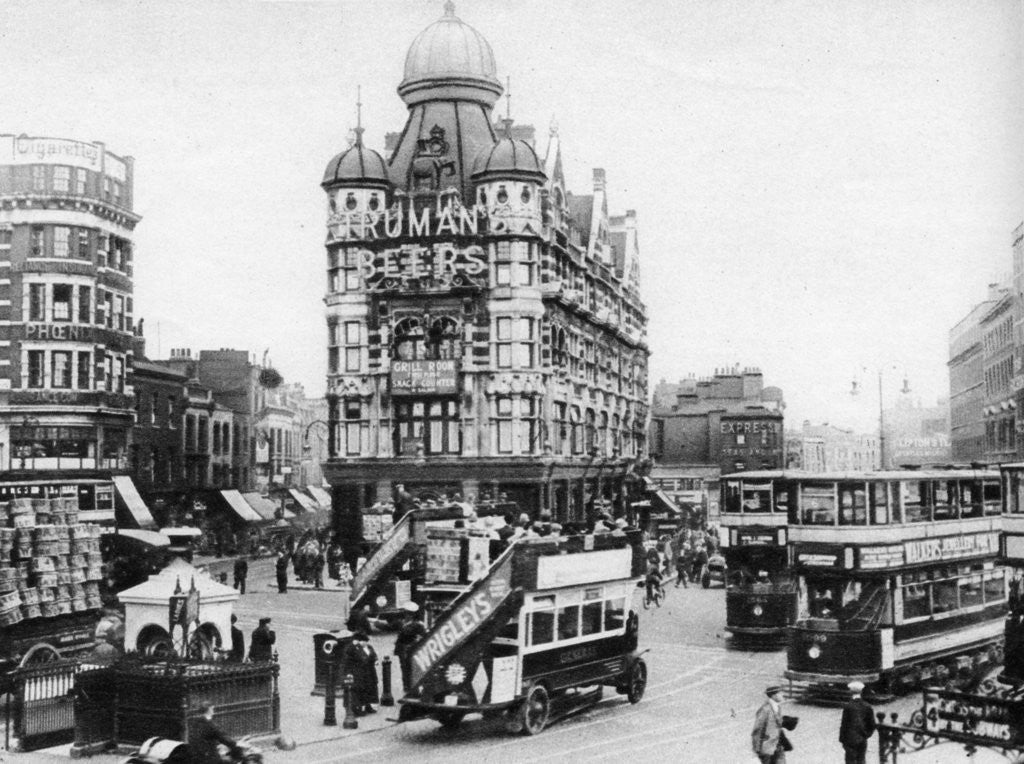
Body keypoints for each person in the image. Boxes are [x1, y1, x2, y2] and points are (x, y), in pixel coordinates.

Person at [342, 631, 379, 714]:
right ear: (358, 641)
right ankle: (357, 709)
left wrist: (376, 660)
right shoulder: (353, 648)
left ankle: (368, 706)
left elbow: (373, 655)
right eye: (363, 641)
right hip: (359, 673)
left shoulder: (369, 647)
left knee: (370, 689)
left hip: (370, 672)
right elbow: (348, 657)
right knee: (359, 690)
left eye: (366, 641)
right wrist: (353, 644)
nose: (365, 643)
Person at [839, 680, 876, 764]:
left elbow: (844, 724)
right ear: (861, 691)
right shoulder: (867, 706)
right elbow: (872, 724)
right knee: (861, 759)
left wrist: (842, 739)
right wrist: (866, 734)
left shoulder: (848, 706)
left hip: (849, 739)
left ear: (850, 692)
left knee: (850, 760)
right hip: (862, 738)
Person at [393, 602, 427, 691]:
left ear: (411, 614)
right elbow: (389, 626)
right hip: (402, 649)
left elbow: (423, 636)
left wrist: (415, 642)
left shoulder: (417, 624)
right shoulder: (403, 622)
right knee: (404, 668)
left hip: (410, 649)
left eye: (407, 613)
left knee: (410, 668)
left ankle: (410, 687)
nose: (405, 615)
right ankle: (406, 686)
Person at [751, 685, 788, 763]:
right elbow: (757, 730)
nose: (783, 695)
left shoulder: (777, 707)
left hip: (777, 746)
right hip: (766, 748)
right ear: (774, 695)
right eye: (780, 693)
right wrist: (757, 749)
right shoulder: (765, 709)